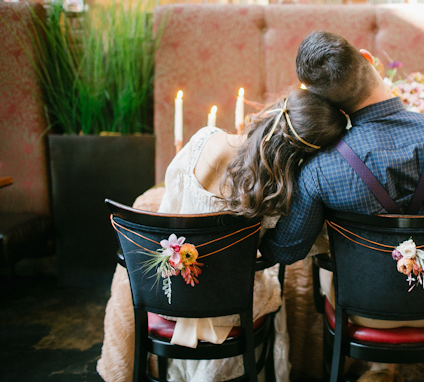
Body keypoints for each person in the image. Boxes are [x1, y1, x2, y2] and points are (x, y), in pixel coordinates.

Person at [258, 31, 424, 378]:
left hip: (360, 309)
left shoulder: (320, 169)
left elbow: (286, 250)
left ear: (321, 101)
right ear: (367, 58)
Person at [97, 88, 347, 382]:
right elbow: (277, 251)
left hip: (169, 297)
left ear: (276, 111)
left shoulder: (201, 140)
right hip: (231, 310)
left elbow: (166, 216)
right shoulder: (273, 192)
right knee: (273, 288)